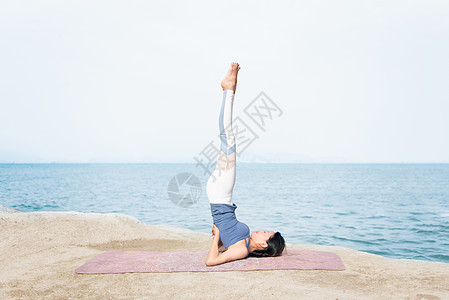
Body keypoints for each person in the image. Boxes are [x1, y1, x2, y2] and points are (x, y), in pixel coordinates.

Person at [205, 62, 285, 267]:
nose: (262, 230)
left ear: (263, 245)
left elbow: (211, 261)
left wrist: (217, 235)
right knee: (228, 140)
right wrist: (221, 238)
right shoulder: (243, 243)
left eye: (265, 233)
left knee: (228, 139)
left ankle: (228, 90)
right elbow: (224, 247)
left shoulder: (241, 250)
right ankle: (229, 90)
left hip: (220, 197)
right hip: (222, 198)